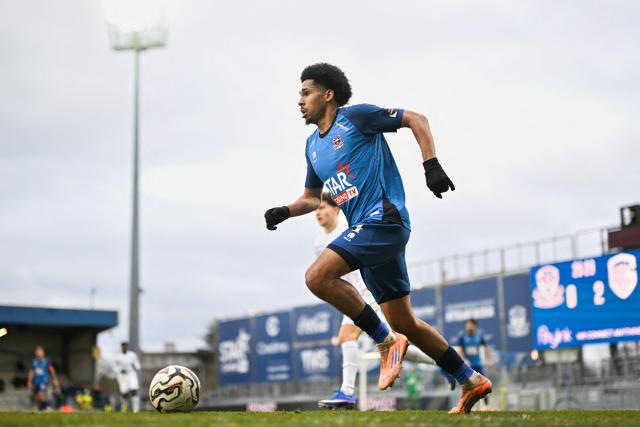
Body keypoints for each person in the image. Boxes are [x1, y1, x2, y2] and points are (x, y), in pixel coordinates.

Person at [264, 63, 491, 413]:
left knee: (317, 276)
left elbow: (417, 118)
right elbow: (312, 197)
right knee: (405, 322)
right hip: (369, 235)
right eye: (299, 94)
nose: (299, 101)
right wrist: (285, 210)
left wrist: (431, 165)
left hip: (384, 220)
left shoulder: (357, 118)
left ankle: (385, 342)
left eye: (306, 92)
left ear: (328, 94)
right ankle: (470, 380)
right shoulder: (312, 146)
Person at [314, 193, 434, 409]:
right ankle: (441, 363)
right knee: (391, 342)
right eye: (316, 209)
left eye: (323, 208)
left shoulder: (348, 229)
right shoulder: (318, 244)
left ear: (336, 209)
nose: (318, 212)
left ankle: (348, 392)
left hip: (367, 292)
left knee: (347, 337)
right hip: (352, 297)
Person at [455, 319, 491, 408]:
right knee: (468, 386)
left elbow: (486, 347)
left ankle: (486, 406)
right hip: (468, 367)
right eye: (467, 325)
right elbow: (459, 349)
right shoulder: (462, 336)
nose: (469, 327)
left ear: (475, 326)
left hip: (478, 365)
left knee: (484, 386)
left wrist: (488, 359)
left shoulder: (479, 335)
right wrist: (464, 360)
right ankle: (467, 406)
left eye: (471, 325)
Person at [27, 346, 59, 411]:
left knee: (41, 394)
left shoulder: (47, 361)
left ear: (43, 353)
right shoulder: (34, 362)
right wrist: (29, 382)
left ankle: (47, 406)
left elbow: (52, 370)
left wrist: (55, 379)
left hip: (44, 381)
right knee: (38, 396)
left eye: (39, 352)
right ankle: (42, 408)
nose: (38, 353)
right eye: (37, 352)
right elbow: (32, 372)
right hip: (36, 382)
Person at [113, 342, 141, 413]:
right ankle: (124, 409)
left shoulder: (132, 355)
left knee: (134, 390)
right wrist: (119, 370)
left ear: (127, 347)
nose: (124, 348)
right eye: (123, 347)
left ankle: (136, 410)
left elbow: (137, 364)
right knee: (124, 392)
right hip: (122, 376)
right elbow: (114, 367)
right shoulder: (117, 356)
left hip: (131, 374)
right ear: (121, 347)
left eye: (126, 346)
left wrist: (136, 367)